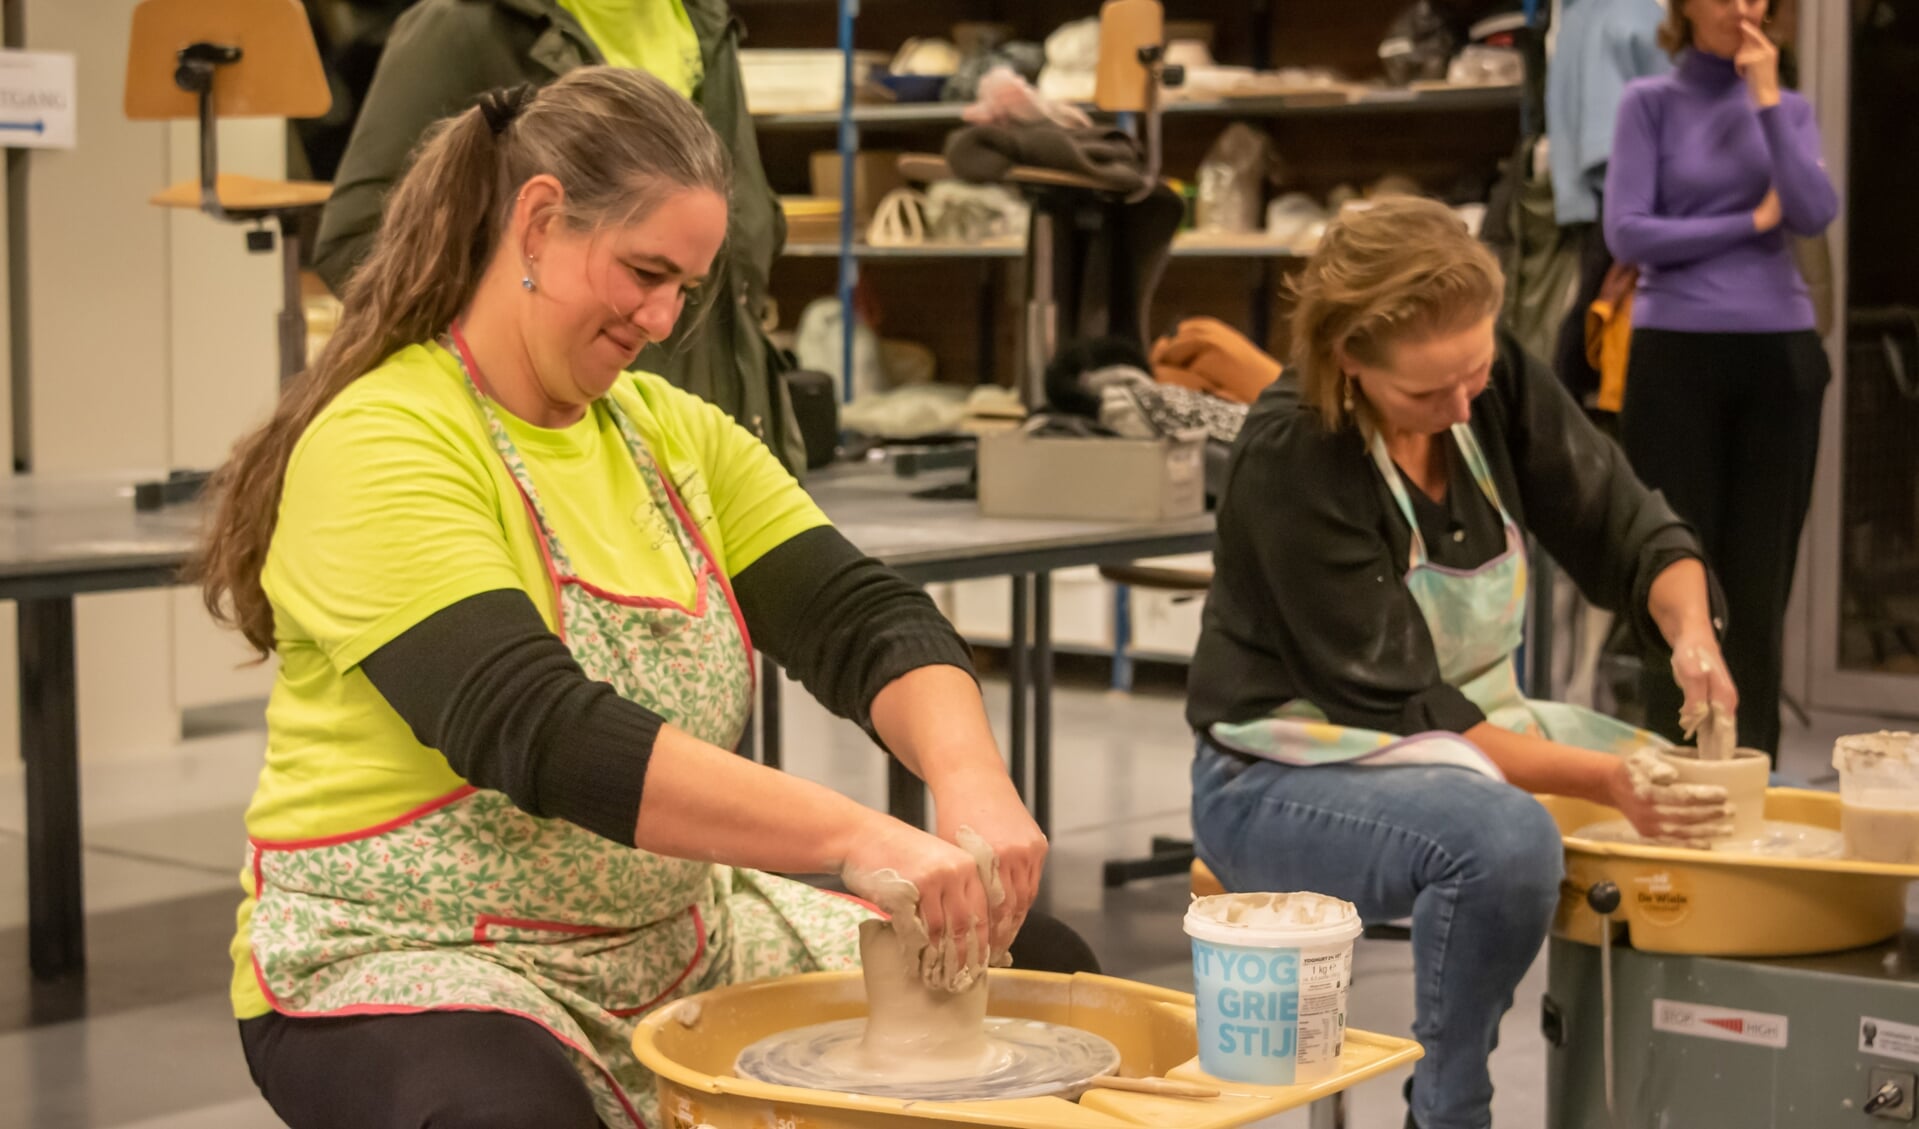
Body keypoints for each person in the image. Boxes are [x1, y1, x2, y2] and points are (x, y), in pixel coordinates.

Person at [199, 70, 1061, 1129]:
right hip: (412, 951)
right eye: (643, 272)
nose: (660, 319)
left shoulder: (668, 433)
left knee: (1036, 972)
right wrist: (860, 836)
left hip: (672, 940)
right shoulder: (384, 440)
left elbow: (865, 620)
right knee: (504, 1115)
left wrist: (972, 784)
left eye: (686, 289)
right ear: (539, 220)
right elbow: (536, 728)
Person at [1185, 197, 1735, 1129]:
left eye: (1474, 373)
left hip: (1471, 738)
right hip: (1280, 770)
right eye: (1427, 393)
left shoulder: (1485, 381)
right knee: (1502, 845)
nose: (1460, 407)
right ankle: (1446, 1107)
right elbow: (1421, 711)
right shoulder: (1292, 452)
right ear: (1348, 361)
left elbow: (1625, 522)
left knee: (1707, 801)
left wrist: (1691, 632)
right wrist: (1608, 777)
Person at [312, 0, 807, 472]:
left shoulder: (705, 24)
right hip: (563, 467)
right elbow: (363, 243)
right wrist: (526, 380)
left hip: (724, 452)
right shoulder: (464, 27)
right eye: (646, 274)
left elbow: (743, 240)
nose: (660, 319)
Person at [1604, 0, 1839, 758]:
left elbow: (1809, 210)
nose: (1737, 5)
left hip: (1780, 357)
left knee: (1759, 586)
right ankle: (1672, 774)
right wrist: (1748, 222)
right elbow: (1629, 233)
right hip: (1675, 355)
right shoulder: (1648, 104)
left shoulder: (1788, 107)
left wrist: (1767, 98)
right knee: (1672, 571)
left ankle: (1753, 782)